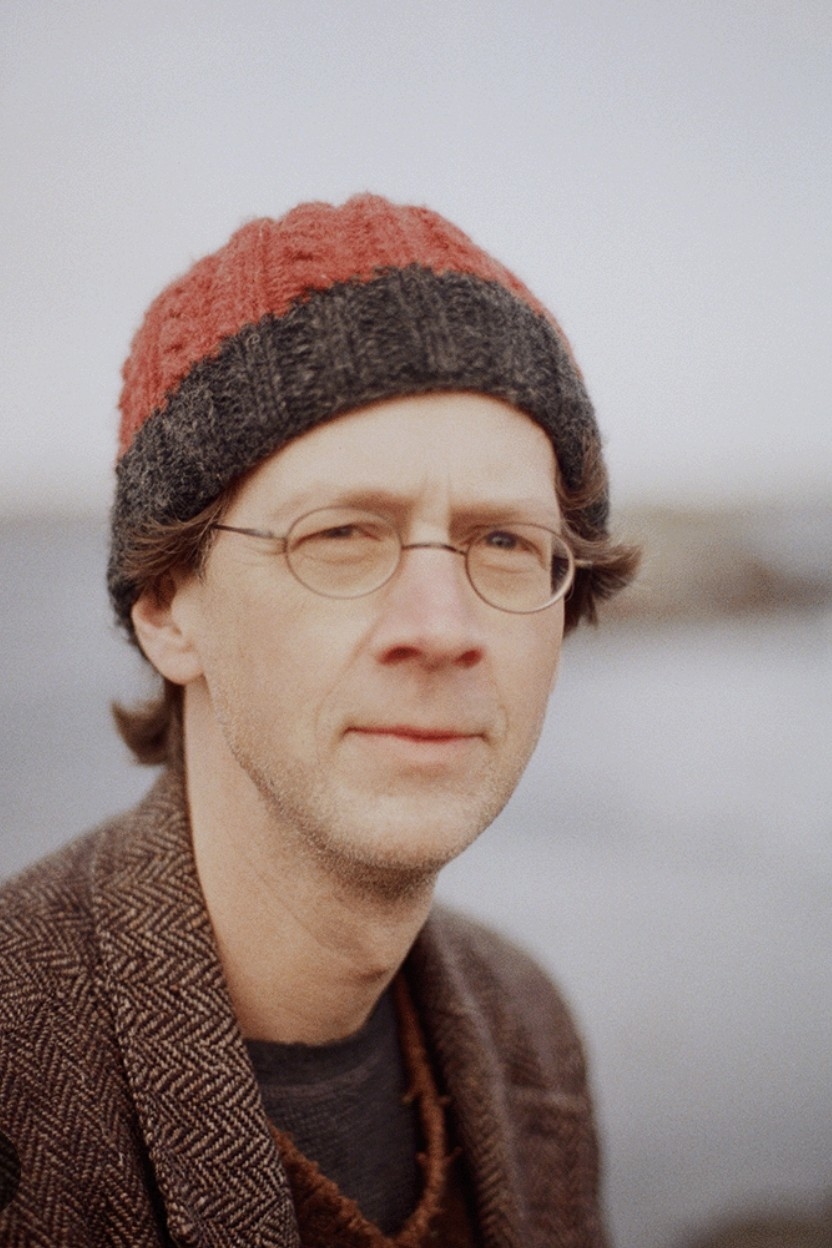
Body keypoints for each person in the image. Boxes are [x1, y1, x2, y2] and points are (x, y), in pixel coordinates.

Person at [0, 195, 639, 1246]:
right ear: (166, 608)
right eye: (341, 534)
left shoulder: (528, 1026)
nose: (441, 628)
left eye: (504, 543)